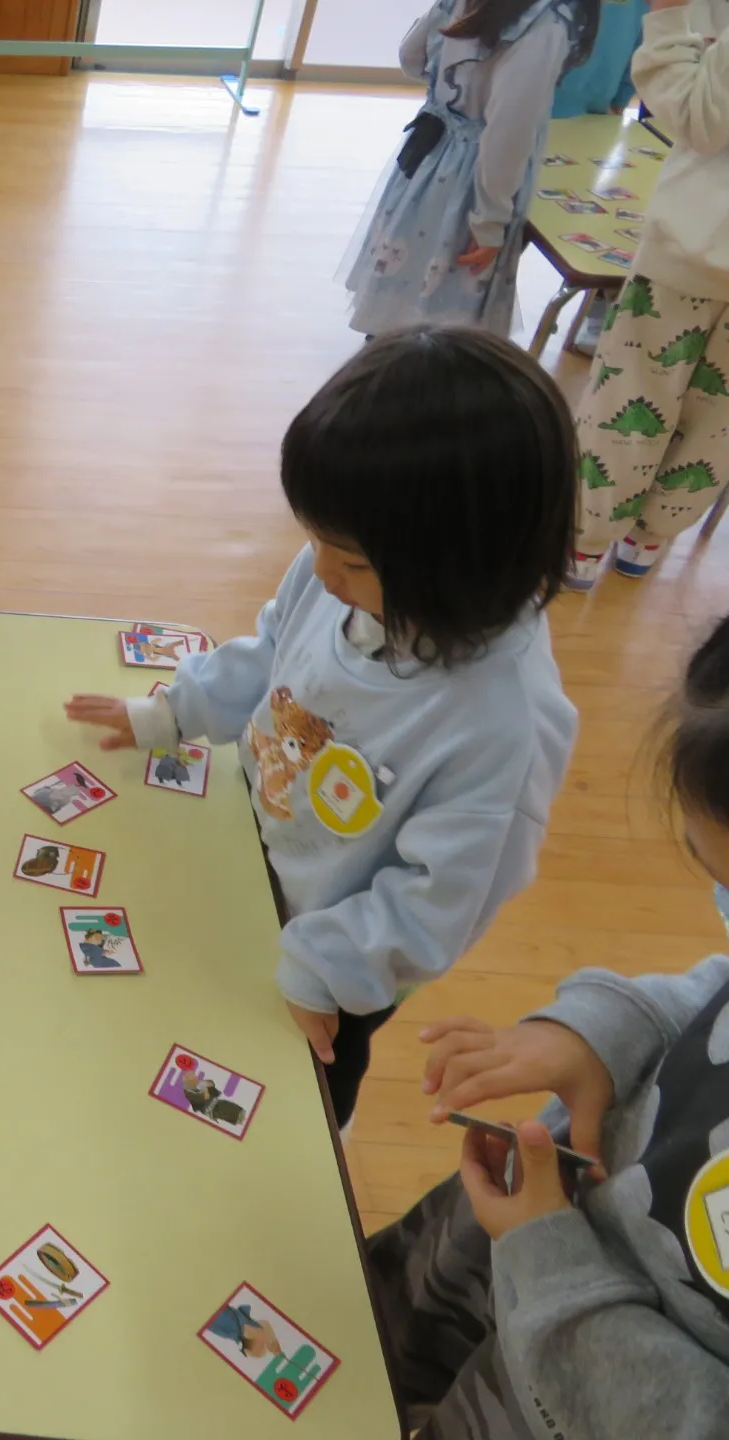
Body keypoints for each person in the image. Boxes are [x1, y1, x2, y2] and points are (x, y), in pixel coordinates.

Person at [65, 327, 579, 1130]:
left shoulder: (503, 723)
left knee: (300, 1091)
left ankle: (327, 1132)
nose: (320, 570)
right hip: (249, 858)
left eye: (352, 560)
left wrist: (320, 971)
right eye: (318, 541)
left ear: (464, 564)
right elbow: (273, 651)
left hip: (338, 952)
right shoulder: (336, 575)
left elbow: (436, 904)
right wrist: (173, 712)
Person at [369, 616, 729, 1435]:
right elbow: (710, 991)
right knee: (367, 1347)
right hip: (527, 1242)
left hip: (578, 1396)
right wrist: (593, 1034)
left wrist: (549, 1256)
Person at [567, 0, 729, 589]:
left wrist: (666, 18)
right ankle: (649, 539)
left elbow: (701, 120)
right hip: (696, 245)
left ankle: (584, 542)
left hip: (692, 248)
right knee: (719, 419)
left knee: (632, 392)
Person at [343, 0, 602, 337]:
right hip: (472, 182)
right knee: (446, 306)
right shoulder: (546, 23)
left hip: (431, 154)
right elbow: (507, 132)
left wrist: (453, 91)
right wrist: (490, 222)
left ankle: (389, 351)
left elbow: (411, 56)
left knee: (404, 278)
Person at [551, 0, 649, 352]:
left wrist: (621, 97)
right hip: (537, 107)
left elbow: (640, 46)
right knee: (514, 220)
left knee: (588, 217)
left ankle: (597, 309)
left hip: (593, 116)